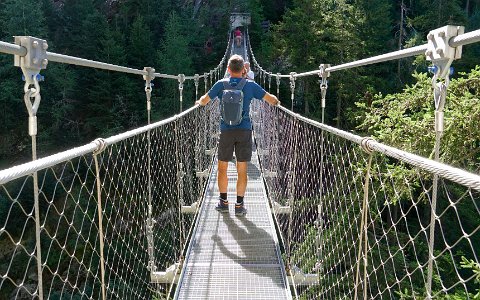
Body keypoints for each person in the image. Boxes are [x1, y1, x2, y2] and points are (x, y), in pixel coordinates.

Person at [195, 55, 280, 216]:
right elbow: (272, 100)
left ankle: (223, 202)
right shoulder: (250, 85)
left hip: (226, 131)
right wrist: (277, 102)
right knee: (242, 170)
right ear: (243, 70)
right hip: (244, 131)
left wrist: (199, 102)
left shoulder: (220, 84)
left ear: (228, 69)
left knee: (222, 168)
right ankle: (239, 205)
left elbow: (204, 101)